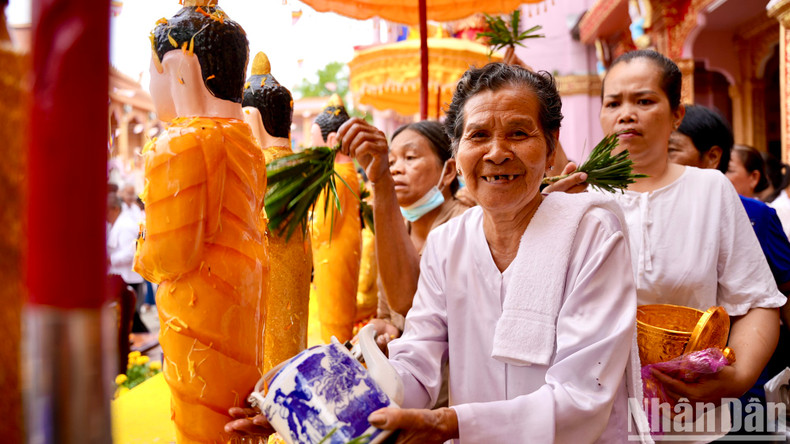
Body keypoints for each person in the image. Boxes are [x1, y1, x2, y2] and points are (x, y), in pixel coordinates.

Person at [228, 63, 639, 443]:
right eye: (478, 136)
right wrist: (317, 405)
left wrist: (452, 423)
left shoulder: (592, 233)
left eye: (518, 133)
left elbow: (584, 396)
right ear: (457, 160)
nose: (497, 153)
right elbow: (416, 369)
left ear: (551, 150)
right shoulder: (449, 243)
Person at [597, 49, 785, 439]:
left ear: (676, 114)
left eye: (644, 101)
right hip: (598, 415)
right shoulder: (583, 198)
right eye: (613, 102)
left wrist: (736, 379)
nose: (626, 113)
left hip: (693, 417)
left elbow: (757, 302)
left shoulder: (709, 189)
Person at [134, 2, 268, 442]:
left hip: (201, 300)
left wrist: (142, 249)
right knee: (239, 407)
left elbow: (170, 254)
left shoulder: (179, 142)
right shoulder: (245, 139)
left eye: (150, 71)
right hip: (245, 283)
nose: (147, 84)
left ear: (180, 71)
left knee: (204, 417)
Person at [332, 119, 471, 349]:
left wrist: (382, 183)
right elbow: (388, 315)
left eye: (410, 157)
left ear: (447, 171)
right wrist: (385, 330)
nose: (395, 168)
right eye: (392, 160)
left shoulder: (464, 227)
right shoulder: (396, 227)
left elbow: (415, 305)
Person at [242, 51, 313, 374]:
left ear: (251, 118)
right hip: (297, 259)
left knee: (273, 337)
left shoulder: (263, 165)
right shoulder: (298, 162)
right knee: (291, 331)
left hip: (272, 264)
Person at [308, 94, 361, 344]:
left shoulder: (338, 175)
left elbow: (322, 227)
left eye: (314, 143)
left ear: (332, 141)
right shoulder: (344, 171)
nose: (311, 150)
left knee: (334, 318)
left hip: (335, 255)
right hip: (338, 252)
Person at [106, 192, 146, 332]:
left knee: (132, 319)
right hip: (123, 277)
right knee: (129, 320)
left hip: (130, 279)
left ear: (115, 209)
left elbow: (131, 252)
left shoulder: (125, 225)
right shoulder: (118, 224)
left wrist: (109, 260)